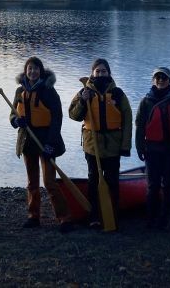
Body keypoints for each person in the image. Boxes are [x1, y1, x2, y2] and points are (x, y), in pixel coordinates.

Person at [9, 56, 74, 233]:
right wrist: (16, 121)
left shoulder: (49, 91)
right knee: (32, 182)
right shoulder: (19, 91)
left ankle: (65, 218)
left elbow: (57, 119)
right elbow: (12, 115)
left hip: (46, 142)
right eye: (30, 68)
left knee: (50, 182)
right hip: (28, 141)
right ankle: (33, 216)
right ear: (26, 71)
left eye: (36, 69)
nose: (33, 72)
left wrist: (50, 144)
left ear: (41, 71)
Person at [68, 58, 132, 229]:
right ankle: (94, 215)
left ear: (109, 73)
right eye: (98, 71)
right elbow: (73, 115)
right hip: (92, 146)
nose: (101, 74)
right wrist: (82, 100)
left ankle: (113, 215)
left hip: (113, 146)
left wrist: (126, 146)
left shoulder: (118, 94)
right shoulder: (84, 92)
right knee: (93, 180)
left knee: (112, 181)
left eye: (104, 71)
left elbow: (127, 119)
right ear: (92, 73)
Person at [134, 66, 170, 229]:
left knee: (168, 184)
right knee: (152, 185)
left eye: (164, 78)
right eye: (158, 77)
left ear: (169, 81)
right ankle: (150, 218)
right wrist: (139, 147)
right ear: (153, 80)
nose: (160, 80)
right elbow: (139, 126)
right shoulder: (145, 102)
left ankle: (164, 218)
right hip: (152, 150)